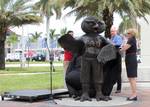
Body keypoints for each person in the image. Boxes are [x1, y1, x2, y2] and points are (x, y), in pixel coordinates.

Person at [120, 28, 138, 101]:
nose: (127, 35)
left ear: (131, 34)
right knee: (131, 78)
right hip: (130, 59)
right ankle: (133, 94)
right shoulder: (131, 39)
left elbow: (124, 48)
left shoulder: (131, 40)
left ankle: (134, 95)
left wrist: (119, 49)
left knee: (132, 78)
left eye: (128, 33)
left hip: (131, 59)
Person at [110, 26, 123, 93]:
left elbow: (119, 44)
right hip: (112, 55)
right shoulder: (111, 38)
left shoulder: (118, 37)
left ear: (116, 31)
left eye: (113, 31)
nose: (112, 32)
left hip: (117, 55)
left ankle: (119, 88)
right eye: (111, 31)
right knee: (112, 71)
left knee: (118, 72)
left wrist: (112, 44)